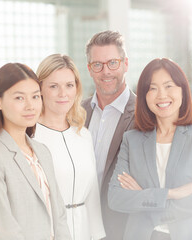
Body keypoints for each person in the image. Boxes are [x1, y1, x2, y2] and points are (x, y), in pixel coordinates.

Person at [108, 58, 192, 240]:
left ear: (182, 91)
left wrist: (144, 200)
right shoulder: (132, 140)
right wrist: (170, 194)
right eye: (152, 88)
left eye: (169, 86)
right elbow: (116, 198)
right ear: (144, 96)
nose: (161, 95)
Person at [0, 63, 71, 240]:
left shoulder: (42, 152)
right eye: (19, 98)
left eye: (35, 97)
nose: (30, 106)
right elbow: (2, 229)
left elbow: (60, 217)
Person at [34, 54, 105, 240]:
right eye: (53, 86)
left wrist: (98, 236)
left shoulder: (83, 135)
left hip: (84, 232)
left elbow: (92, 196)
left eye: (69, 85)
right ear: (40, 89)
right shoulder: (31, 137)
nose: (63, 94)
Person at [82, 30, 136, 240]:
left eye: (112, 63)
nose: (106, 71)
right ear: (89, 69)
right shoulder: (77, 112)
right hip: (81, 226)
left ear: (125, 64)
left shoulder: (145, 114)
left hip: (122, 229)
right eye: (98, 65)